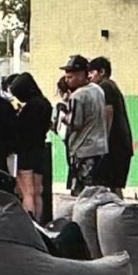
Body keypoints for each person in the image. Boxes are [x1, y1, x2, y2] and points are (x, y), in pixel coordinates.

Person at [60, 54, 108, 195]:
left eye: (70, 77)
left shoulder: (78, 96)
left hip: (83, 149)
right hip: (100, 147)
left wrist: (62, 117)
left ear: (82, 75)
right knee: (97, 190)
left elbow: (75, 123)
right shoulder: (98, 90)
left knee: (83, 193)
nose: (67, 80)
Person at [88, 56, 133, 195]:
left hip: (114, 145)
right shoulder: (113, 86)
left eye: (92, 72)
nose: (89, 76)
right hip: (122, 144)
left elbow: (108, 112)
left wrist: (103, 141)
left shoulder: (105, 87)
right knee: (115, 186)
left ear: (102, 72)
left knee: (106, 184)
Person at [9, 72, 52, 219]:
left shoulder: (29, 109)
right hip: (40, 150)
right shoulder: (45, 104)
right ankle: (39, 221)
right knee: (37, 192)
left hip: (26, 152)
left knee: (27, 193)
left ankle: (30, 222)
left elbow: (20, 130)